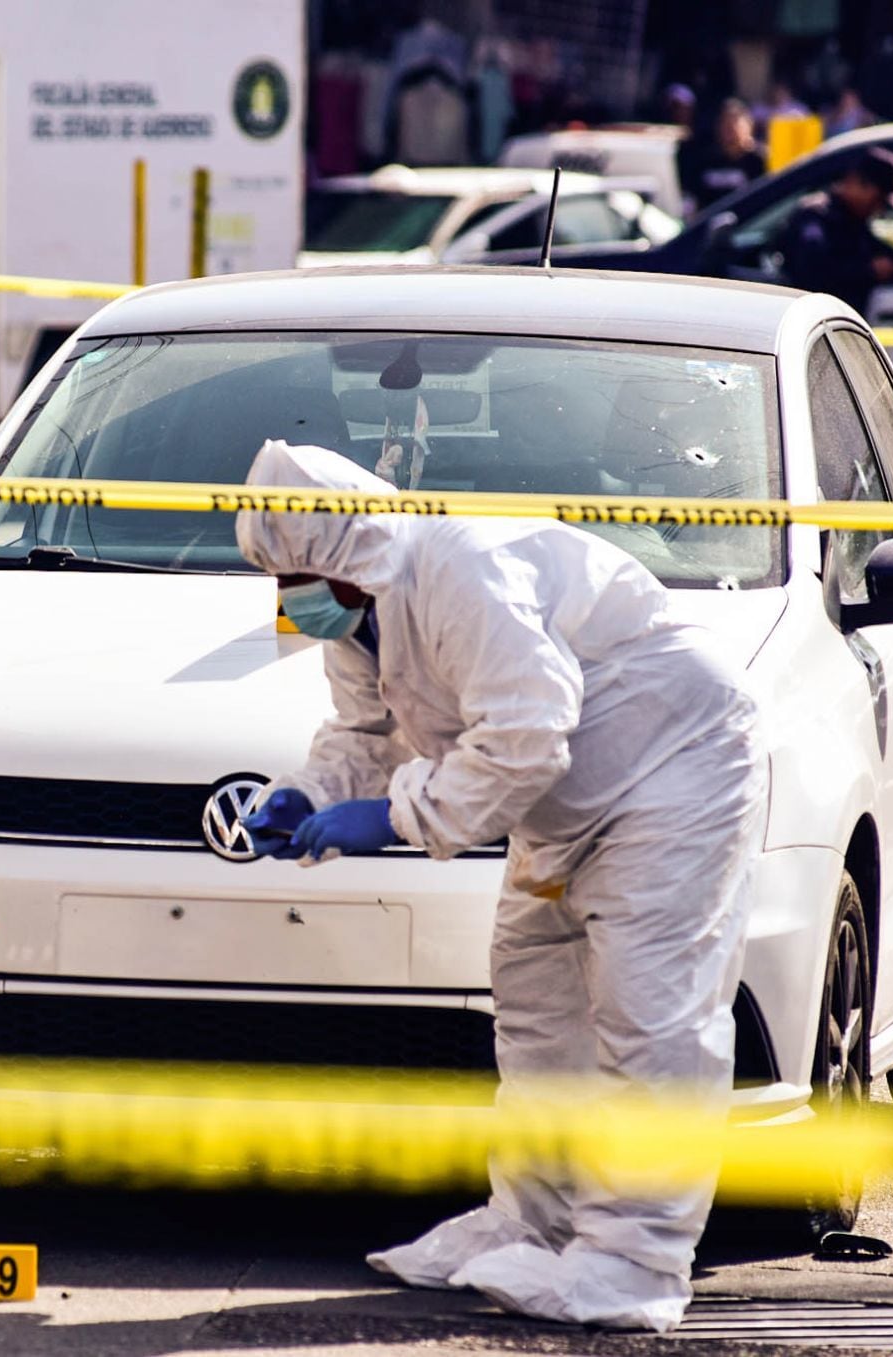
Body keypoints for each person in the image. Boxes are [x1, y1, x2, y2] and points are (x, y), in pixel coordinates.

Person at [235, 440, 766, 1333]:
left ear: (345, 560)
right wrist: (317, 793)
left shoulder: (460, 569)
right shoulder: (360, 617)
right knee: (535, 1010)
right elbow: (366, 729)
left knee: (651, 1014)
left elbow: (527, 728)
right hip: (562, 802)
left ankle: (633, 1261)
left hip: (674, 766)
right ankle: (531, 1222)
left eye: (294, 574)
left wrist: (402, 820)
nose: (288, 596)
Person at [779, 147, 893, 314]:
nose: (878, 208)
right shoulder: (816, 215)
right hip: (811, 317)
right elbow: (812, 270)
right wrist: (867, 270)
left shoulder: (857, 219)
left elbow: (890, 251)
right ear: (855, 182)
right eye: (877, 199)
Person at [678, 98, 767, 216]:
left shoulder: (759, 161)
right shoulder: (705, 161)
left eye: (735, 123)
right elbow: (693, 199)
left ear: (749, 126)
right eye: (725, 124)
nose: (730, 130)